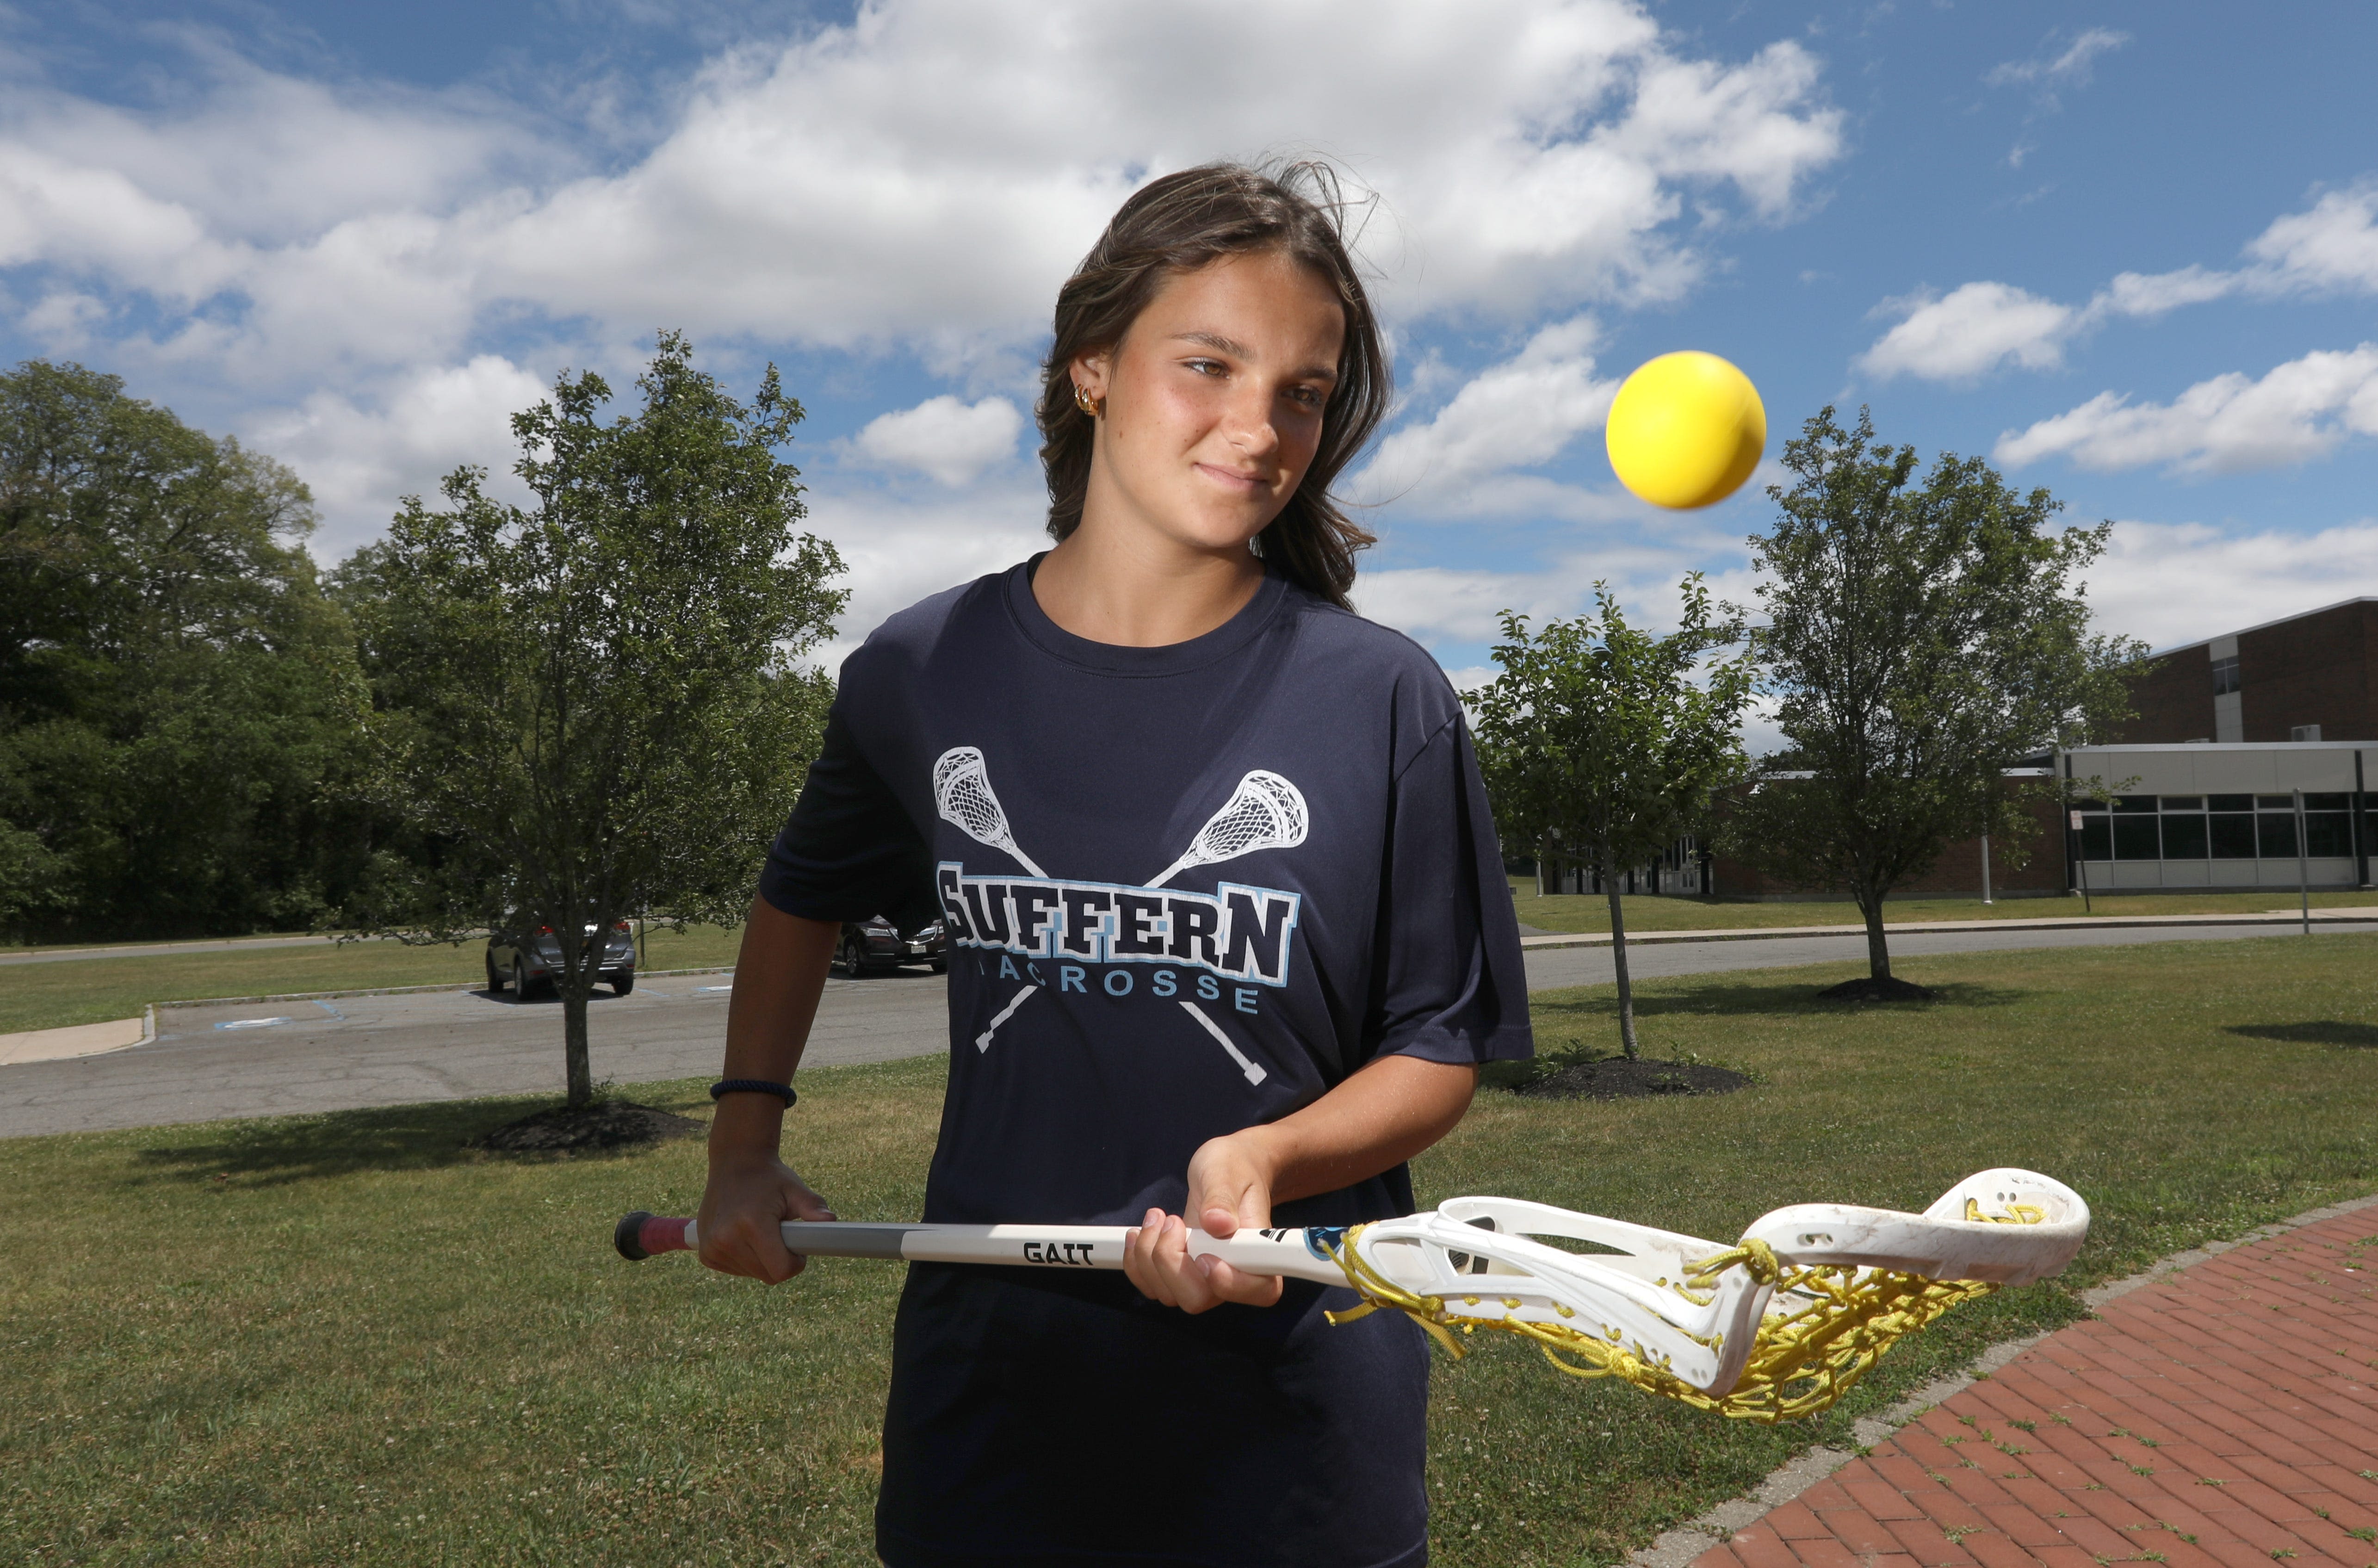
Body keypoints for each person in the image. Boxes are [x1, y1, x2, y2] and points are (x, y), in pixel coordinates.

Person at [697, 161, 1533, 1568]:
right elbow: (800, 898)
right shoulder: (921, 670)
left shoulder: (1380, 696)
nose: (1257, 428)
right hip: (995, 1413)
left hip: (1296, 1419)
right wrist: (741, 1144)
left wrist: (1262, 1158)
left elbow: (1435, 1050)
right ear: (1091, 365)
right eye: (1205, 364)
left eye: (1304, 393)